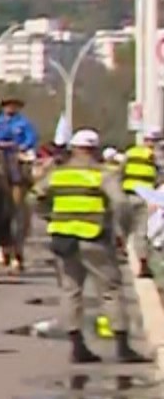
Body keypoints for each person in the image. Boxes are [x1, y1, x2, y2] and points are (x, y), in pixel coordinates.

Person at [39, 128, 149, 364]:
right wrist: (121, 230)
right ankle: (122, 346)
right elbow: (120, 203)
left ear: (74, 149)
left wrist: (50, 217)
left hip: (64, 239)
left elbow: (34, 196)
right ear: (95, 150)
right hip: (94, 237)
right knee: (110, 290)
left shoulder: (57, 174)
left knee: (71, 290)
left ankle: (78, 347)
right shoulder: (103, 174)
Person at [119, 127, 158, 278]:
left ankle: (120, 252)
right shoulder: (155, 157)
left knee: (124, 228)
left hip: (128, 195)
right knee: (142, 232)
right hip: (146, 197)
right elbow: (158, 178)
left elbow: (120, 173)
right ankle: (142, 264)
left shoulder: (130, 153)